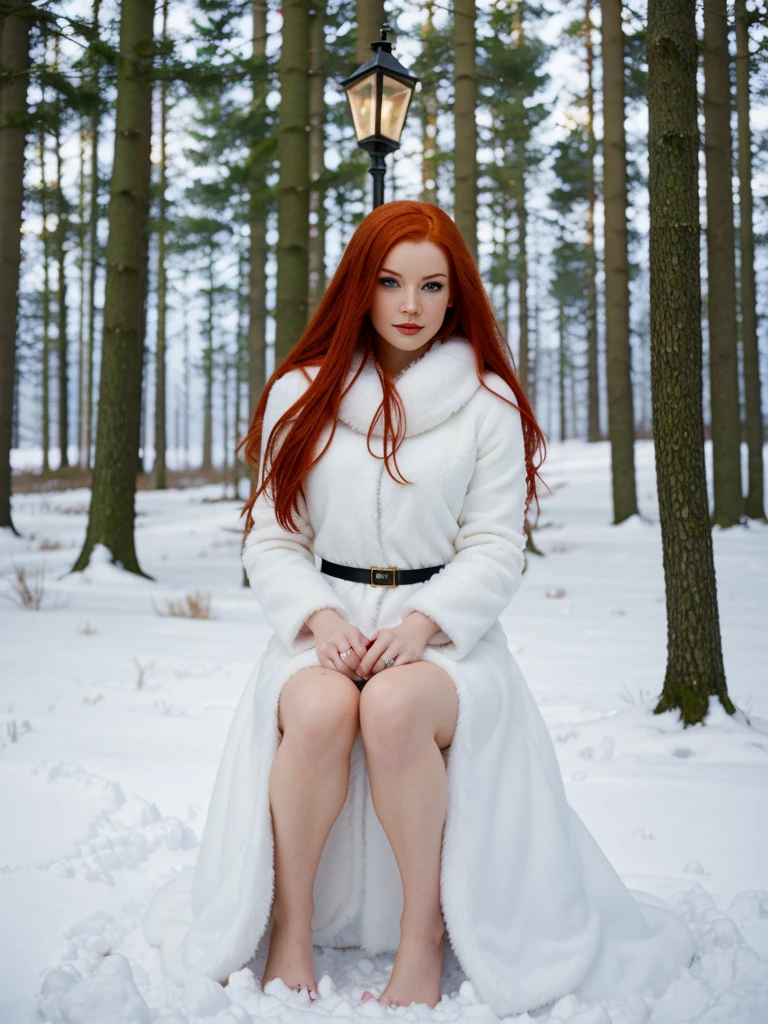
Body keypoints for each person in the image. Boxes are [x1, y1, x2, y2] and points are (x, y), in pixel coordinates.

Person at [143, 200, 697, 1016]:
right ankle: (290, 925)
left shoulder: (486, 405)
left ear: (454, 294)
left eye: (431, 286)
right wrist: (321, 624)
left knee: (397, 708)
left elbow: (495, 546)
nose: (410, 305)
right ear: (359, 290)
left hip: (446, 638)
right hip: (320, 625)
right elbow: (271, 538)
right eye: (391, 282)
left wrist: (423, 625)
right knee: (324, 708)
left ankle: (422, 936)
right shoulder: (302, 393)